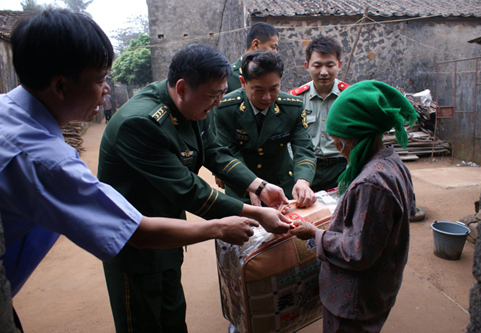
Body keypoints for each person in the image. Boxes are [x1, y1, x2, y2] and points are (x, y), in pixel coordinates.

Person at [0, 9, 261, 329]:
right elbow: (136, 229)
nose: (107, 90)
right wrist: (223, 227)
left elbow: (212, 151)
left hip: (167, 240)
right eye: (99, 80)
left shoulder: (10, 114)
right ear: (60, 86)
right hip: (140, 253)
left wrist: (257, 185)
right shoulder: (49, 160)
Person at [98, 44, 293, 332]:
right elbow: (188, 189)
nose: (218, 103)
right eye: (213, 95)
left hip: (170, 233)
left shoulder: (198, 102)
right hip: (135, 245)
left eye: (221, 93)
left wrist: (259, 185)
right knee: (142, 322)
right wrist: (256, 212)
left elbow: (214, 151)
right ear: (181, 87)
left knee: (173, 316)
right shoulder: (140, 123)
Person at [290, 80, 417, 333]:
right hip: (378, 288)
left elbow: (357, 252)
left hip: (354, 299)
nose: (338, 147)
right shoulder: (391, 163)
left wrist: (314, 233)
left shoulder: (370, 184)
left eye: (337, 140)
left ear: (352, 138)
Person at [214, 50, 317, 208]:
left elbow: (303, 147)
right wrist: (251, 185)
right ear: (243, 82)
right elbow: (229, 152)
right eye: (259, 90)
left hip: (282, 187)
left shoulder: (292, 107)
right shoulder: (226, 108)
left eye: (273, 89)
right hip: (241, 189)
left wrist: (303, 181)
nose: (267, 97)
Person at [289, 36, 350, 192]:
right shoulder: (295, 100)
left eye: (330, 65)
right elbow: (288, 140)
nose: (324, 72)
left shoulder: (350, 98)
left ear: (339, 65)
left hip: (341, 167)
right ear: (307, 66)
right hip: (305, 169)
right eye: (317, 65)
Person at [226, 22, 279, 93]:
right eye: (273, 47)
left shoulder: (272, 74)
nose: (275, 52)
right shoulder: (229, 77)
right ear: (256, 45)